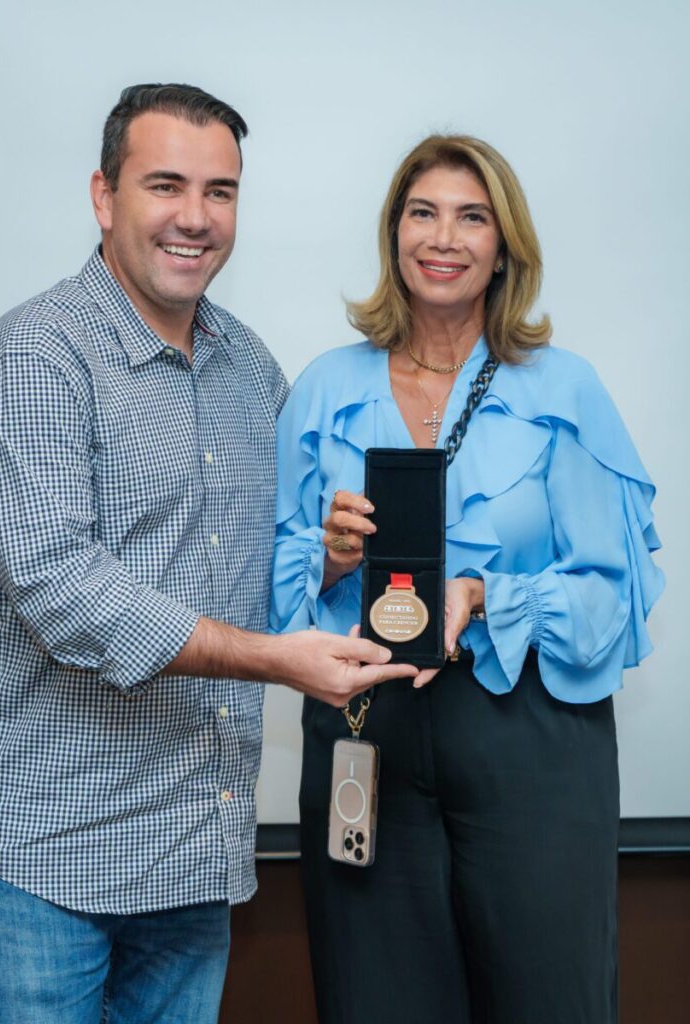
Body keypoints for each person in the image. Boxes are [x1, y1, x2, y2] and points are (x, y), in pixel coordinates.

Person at [0, 83, 424, 1024]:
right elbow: (65, 591)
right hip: (39, 859)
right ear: (103, 195)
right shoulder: (33, 360)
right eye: (165, 185)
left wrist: (326, 560)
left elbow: (252, 563)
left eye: (219, 191)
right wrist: (271, 659)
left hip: (190, 860)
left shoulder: (248, 368)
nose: (195, 218)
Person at [271, 133, 665, 1024]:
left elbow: (611, 602)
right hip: (364, 728)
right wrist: (330, 557)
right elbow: (262, 590)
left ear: (503, 246)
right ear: (393, 233)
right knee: (375, 1002)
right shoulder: (323, 390)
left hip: (528, 733)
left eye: (470, 217)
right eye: (422, 213)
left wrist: (488, 597)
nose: (443, 237)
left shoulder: (565, 391)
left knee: (548, 1001)